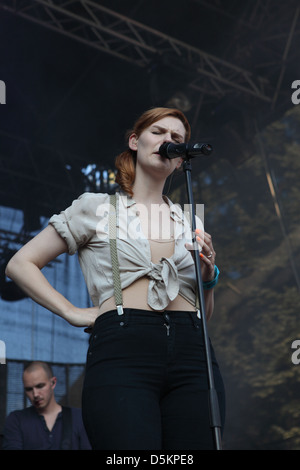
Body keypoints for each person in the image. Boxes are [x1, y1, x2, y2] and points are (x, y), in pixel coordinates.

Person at [5, 107, 225, 450]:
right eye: (159, 132)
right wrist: (72, 312)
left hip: (192, 351)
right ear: (135, 141)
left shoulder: (191, 217)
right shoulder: (96, 207)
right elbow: (20, 263)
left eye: (177, 139)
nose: (169, 141)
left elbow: (204, 315)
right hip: (124, 349)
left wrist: (209, 278)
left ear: (181, 159)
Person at [2, 361, 91, 450]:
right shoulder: (16, 420)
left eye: (40, 386)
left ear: (53, 382)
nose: (35, 394)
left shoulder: (78, 418)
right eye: (29, 389)